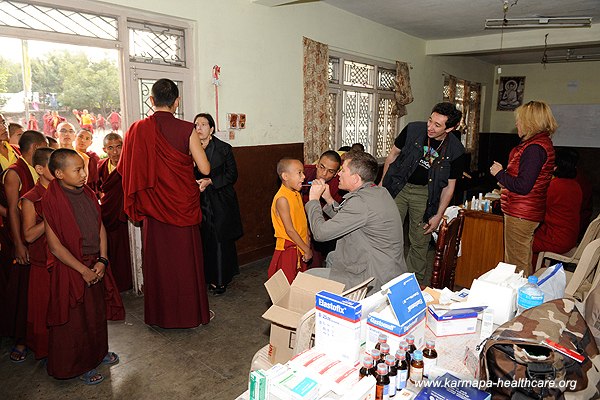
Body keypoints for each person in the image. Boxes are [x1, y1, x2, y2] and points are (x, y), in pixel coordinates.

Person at [118, 78, 212, 328]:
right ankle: (190, 315)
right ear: (176, 102)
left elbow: (125, 169)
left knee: (160, 265)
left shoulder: (136, 129)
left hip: (154, 208)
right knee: (184, 264)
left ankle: (160, 316)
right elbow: (204, 168)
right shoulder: (185, 129)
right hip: (181, 205)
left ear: (151, 101)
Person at [42, 149, 124, 384]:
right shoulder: (51, 199)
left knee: (96, 315)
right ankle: (81, 365)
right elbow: (55, 246)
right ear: (58, 173)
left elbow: (100, 227)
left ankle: (98, 354)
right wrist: (82, 270)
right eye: (77, 170)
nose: (84, 174)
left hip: (94, 263)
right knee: (76, 322)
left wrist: (103, 259)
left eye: (84, 168)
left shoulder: (87, 192)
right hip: (71, 267)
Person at [381, 102, 465, 283]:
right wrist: (381, 185)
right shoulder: (413, 130)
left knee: (420, 240)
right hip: (399, 186)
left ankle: (413, 283)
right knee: (386, 233)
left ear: (450, 128)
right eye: (430, 121)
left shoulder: (456, 150)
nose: (430, 127)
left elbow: (450, 187)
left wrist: (438, 215)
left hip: (425, 194)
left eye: (437, 125)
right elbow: (392, 155)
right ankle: (384, 278)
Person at [306, 150, 407, 292]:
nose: (338, 174)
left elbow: (320, 233)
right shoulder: (378, 191)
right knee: (332, 257)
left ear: (355, 178)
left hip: (374, 278)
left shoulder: (360, 202)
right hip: (386, 268)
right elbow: (348, 219)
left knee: (307, 278)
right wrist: (328, 199)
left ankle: (335, 304)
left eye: (343, 171)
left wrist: (314, 201)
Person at [490, 100, 557, 275]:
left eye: (519, 120)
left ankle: (520, 301)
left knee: (516, 264)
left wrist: (499, 173)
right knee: (522, 259)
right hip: (526, 210)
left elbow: (523, 185)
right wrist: (505, 179)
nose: (516, 124)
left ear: (530, 123)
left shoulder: (534, 148)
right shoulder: (541, 143)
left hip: (521, 212)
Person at [0, 130, 48, 362]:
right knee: (21, 291)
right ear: (36, 147)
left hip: (40, 239)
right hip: (21, 240)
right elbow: (12, 211)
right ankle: (20, 339)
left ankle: (38, 334)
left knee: (36, 291)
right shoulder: (14, 173)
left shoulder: (38, 169)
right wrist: (19, 245)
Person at [194, 113, 243, 295]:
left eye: (203, 124)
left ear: (212, 129)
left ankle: (220, 280)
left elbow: (232, 175)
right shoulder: (191, 148)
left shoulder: (224, 148)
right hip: (200, 200)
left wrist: (210, 181)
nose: (199, 128)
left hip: (220, 199)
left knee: (220, 240)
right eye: (196, 125)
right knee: (203, 239)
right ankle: (206, 276)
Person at [21, 147, 54, 360]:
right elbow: (30, 236)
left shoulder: (65, 190)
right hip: (43, 264)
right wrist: (51, 216)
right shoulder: (30, 199)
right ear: (40, 169)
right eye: (54, 164)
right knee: (46, 311)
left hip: (66, 260)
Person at [532, 148, 582, 268]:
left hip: (556, 238)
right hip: (570, 236)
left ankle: (533, 274)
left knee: (523, 242)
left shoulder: (554, 186)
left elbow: (536, 206)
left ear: (555, 166)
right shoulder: (575, 186)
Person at [267, 158, 312, 283]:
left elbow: (301, 219)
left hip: (300, 245)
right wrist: (307, 249)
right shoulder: (282, 199)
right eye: (299, 173)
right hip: (289, 248)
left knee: (299, 284)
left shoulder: (296, 193)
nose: (303, 177)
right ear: (285, 176)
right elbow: (290, 230)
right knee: (287, 286)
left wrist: (307, 238)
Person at [97, 133, 132, 292]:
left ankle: (127, 281)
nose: (116, 152)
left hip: (124, 214)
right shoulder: (101, 166)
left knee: (124, 250)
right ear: (105, 149)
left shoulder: (130, 165)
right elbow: (98, 189)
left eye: (119, 147)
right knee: (109, 248)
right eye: (110, 148)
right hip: (107, 213)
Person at [301, 150, 342, 267]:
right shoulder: (304, 173)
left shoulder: (340, 184)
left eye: (330, 171)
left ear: (336, 173)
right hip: (302, 222)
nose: (323, 174)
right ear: (317, 164)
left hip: (326, 226)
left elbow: (338, 216)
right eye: (322, 167)